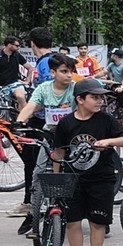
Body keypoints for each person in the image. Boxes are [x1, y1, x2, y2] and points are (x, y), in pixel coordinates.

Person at [47, 80, 123, 246]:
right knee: (73, 220)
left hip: (101, 178)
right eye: (94, 97)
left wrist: (109, 141)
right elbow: (59, 153)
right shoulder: (66, 123)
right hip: (73, 179)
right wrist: (57, 178)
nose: (100, 101)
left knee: (98, 221)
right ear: (79, 99)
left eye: (101, 97)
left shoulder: (105, 120)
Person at [15, 52, 78, 236]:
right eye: (64, 71)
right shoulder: (43, 89)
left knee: (77, 175)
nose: (69, 75)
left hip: (72, 139)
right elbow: (31, 106)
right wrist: (20, 121)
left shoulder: (75, 89)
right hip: (50, 136)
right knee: (38, 173)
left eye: (71, 71)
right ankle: (35, 214)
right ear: (52, 72)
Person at [0, 36, 29, 110]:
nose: (18, 48)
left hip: (14, 83)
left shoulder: (17, 55)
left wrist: (27, 81)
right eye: (17, 46)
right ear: (9, 45)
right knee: (0, 108)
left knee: (21, 97)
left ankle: (24, 119)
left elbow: (30, 68)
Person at [106, 49, 123, 116]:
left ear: (115, 56)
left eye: (112, 55)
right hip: (116, 85)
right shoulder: (112, 65)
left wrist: (122, 87)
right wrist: (94, 76)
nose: (110, 56)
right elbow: (104, 72)